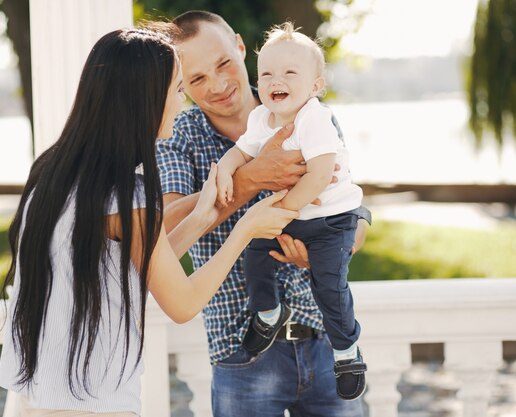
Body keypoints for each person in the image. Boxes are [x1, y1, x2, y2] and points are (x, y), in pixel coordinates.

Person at [0, 27, 298, 417]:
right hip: (92, 404)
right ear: (145, 100)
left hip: (33, 397)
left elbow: (140, 261)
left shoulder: (54, 173)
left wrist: (205, 213)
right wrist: (246, 229)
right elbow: (183, 303)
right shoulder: (126, 195)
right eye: (177, 89)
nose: (182, 99)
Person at [156, 11, 369, 417]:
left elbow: (350, 209)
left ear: (239, 46)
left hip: (324, 340)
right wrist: (251, 178)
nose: (217, 85)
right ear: (181, 83)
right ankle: (265, 314)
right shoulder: (177, 135)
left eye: (223, 64)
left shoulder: (311, 112)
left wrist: (338, 247)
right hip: (241, 350)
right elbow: (165, 229)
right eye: (197, 79)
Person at [215, 22, 368, 400]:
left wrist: (281, 210)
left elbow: (318, 178)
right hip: (292, 216)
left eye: (289, 73)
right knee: (255, 257)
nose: (274, 80)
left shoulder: (315, 118)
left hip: (331, 220)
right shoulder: (260, 119)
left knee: (329, 286)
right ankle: (268, 312)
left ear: (315, 86)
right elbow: (243, 151)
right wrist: (225, 166)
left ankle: (346, 350)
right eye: (266, 73)